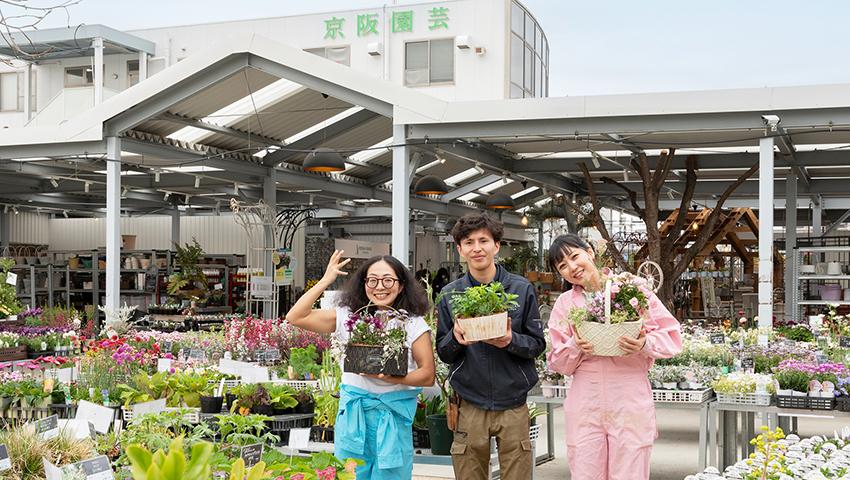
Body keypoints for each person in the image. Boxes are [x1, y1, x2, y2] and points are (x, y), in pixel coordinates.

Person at [286, 251, 436, 480]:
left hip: (392, 417)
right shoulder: (349, 317)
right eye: (372, 280)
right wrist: (326, 281)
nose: (380, 287)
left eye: (388, 280)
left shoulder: (413, 323)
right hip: (355, 414)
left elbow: (427, 375)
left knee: (391, 475)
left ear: (401, 284)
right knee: (351, 474)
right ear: (363, 283)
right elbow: (295, 317)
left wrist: (391, 378)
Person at [545, 234, 682, 480]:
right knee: (587, 471)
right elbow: (557, 362)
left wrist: (644, 343)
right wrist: (575, 345)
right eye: (562, 265)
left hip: (629, 395)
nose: (572, 267)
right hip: (586, 399)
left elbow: (671, 336)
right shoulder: (565, 304)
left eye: (575, 257)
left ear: (590, 252)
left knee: (630, 471)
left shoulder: (632, 290)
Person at [435, 212, 546, 480]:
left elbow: (537, 344)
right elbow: (443, 351)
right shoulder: (450, 294)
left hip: (513, 403)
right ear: (460, 250)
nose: (477, 248)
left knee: (517, 475)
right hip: (470, 404)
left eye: (483, 240)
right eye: (469, 242)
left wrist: (510, 340)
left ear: (496, 245)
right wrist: (455, 337)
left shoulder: (521, 289)